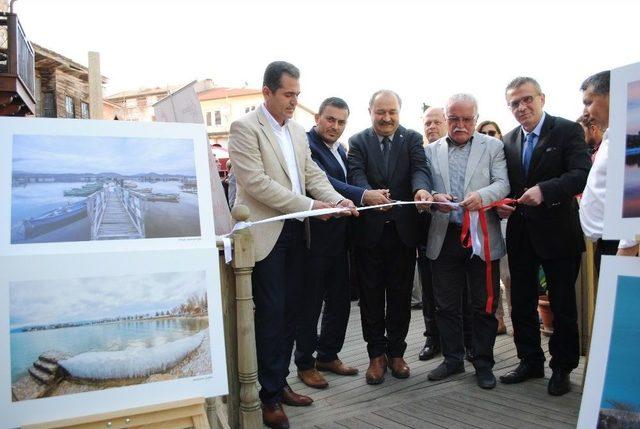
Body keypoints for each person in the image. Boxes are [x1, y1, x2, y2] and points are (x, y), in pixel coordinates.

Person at [228, 61, 357, 429]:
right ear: (266, 92)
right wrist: (314, 206)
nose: (293, 101)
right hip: (266, 235)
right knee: (270, 315)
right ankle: (267, 399)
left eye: (298, 95)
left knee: (292, 315)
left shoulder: (297, 131)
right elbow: (256, 184)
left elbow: (312, 173)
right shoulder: (244, 128)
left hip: (299, 233)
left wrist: (336, 199)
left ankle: (279, 383)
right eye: (288, 94)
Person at [496, 76, 591, 397]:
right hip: (520, 234)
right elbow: (505, 185)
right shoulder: (507, 142)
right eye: (514, 103)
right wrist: (501, 206)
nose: (521, 107)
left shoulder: (567, 130)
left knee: (563, 306)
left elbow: (581, 174)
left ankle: (562, 368)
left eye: (527, 100)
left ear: (542, 98)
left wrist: (546, 190)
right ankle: (529, 361)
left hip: (559, 234)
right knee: (521, 303)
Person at [294, 97, 391, 389]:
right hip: (315, 239)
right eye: (330, 119)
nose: (334, 126)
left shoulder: (342, 149)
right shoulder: (305, 145)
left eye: (341, 122)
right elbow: (323, 182)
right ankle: (304, 362)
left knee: (339, 301)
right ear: (317, 118)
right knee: (310, 305)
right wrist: (365, 195)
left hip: (342, 240)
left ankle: (328, 354)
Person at [425, 94, 509, 389]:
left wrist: (482, 197)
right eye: (453, 119)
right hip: (444, 235)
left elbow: (503, 184)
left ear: (476, 118)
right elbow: (422, 184)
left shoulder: (494, 147)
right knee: (445, 304)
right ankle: (452, 359)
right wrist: (434, 198)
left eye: (466, 119)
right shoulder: (430, 150)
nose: (460, 125)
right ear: (445, 118)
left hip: (481, 235)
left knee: (484, 304)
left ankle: (483, 363)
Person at [348, 89, 433, 385]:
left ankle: (396, 353)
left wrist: (421, 190)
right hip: (369, 234)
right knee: (371, 298)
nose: (386, 118)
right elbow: (356, 175)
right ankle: (375, 356)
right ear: (370, 111)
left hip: (403, 233)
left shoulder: (410, 139)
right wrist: (368, 194)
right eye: (381, 112)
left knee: (399, 296)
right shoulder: (358, 141)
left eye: (392, 112)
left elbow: (419, 170)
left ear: (399, 112)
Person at [579, 71, 638, 268]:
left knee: (624, 300)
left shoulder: (631, 136)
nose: (586, 111)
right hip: (610, 244)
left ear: (612, 95)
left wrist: (626, 250)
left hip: (624, 248)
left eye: (589, 102)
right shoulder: (614, 135)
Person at [477, 120, 509, 335]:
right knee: (492, 278)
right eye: (483, 133)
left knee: (508, 276)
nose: (488, 136)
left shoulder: (507, 154)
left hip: (507, 220)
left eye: (492, 132)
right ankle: (498, 319)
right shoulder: (479, 158)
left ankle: (514, 316)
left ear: (499, 134)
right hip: (483, 223)